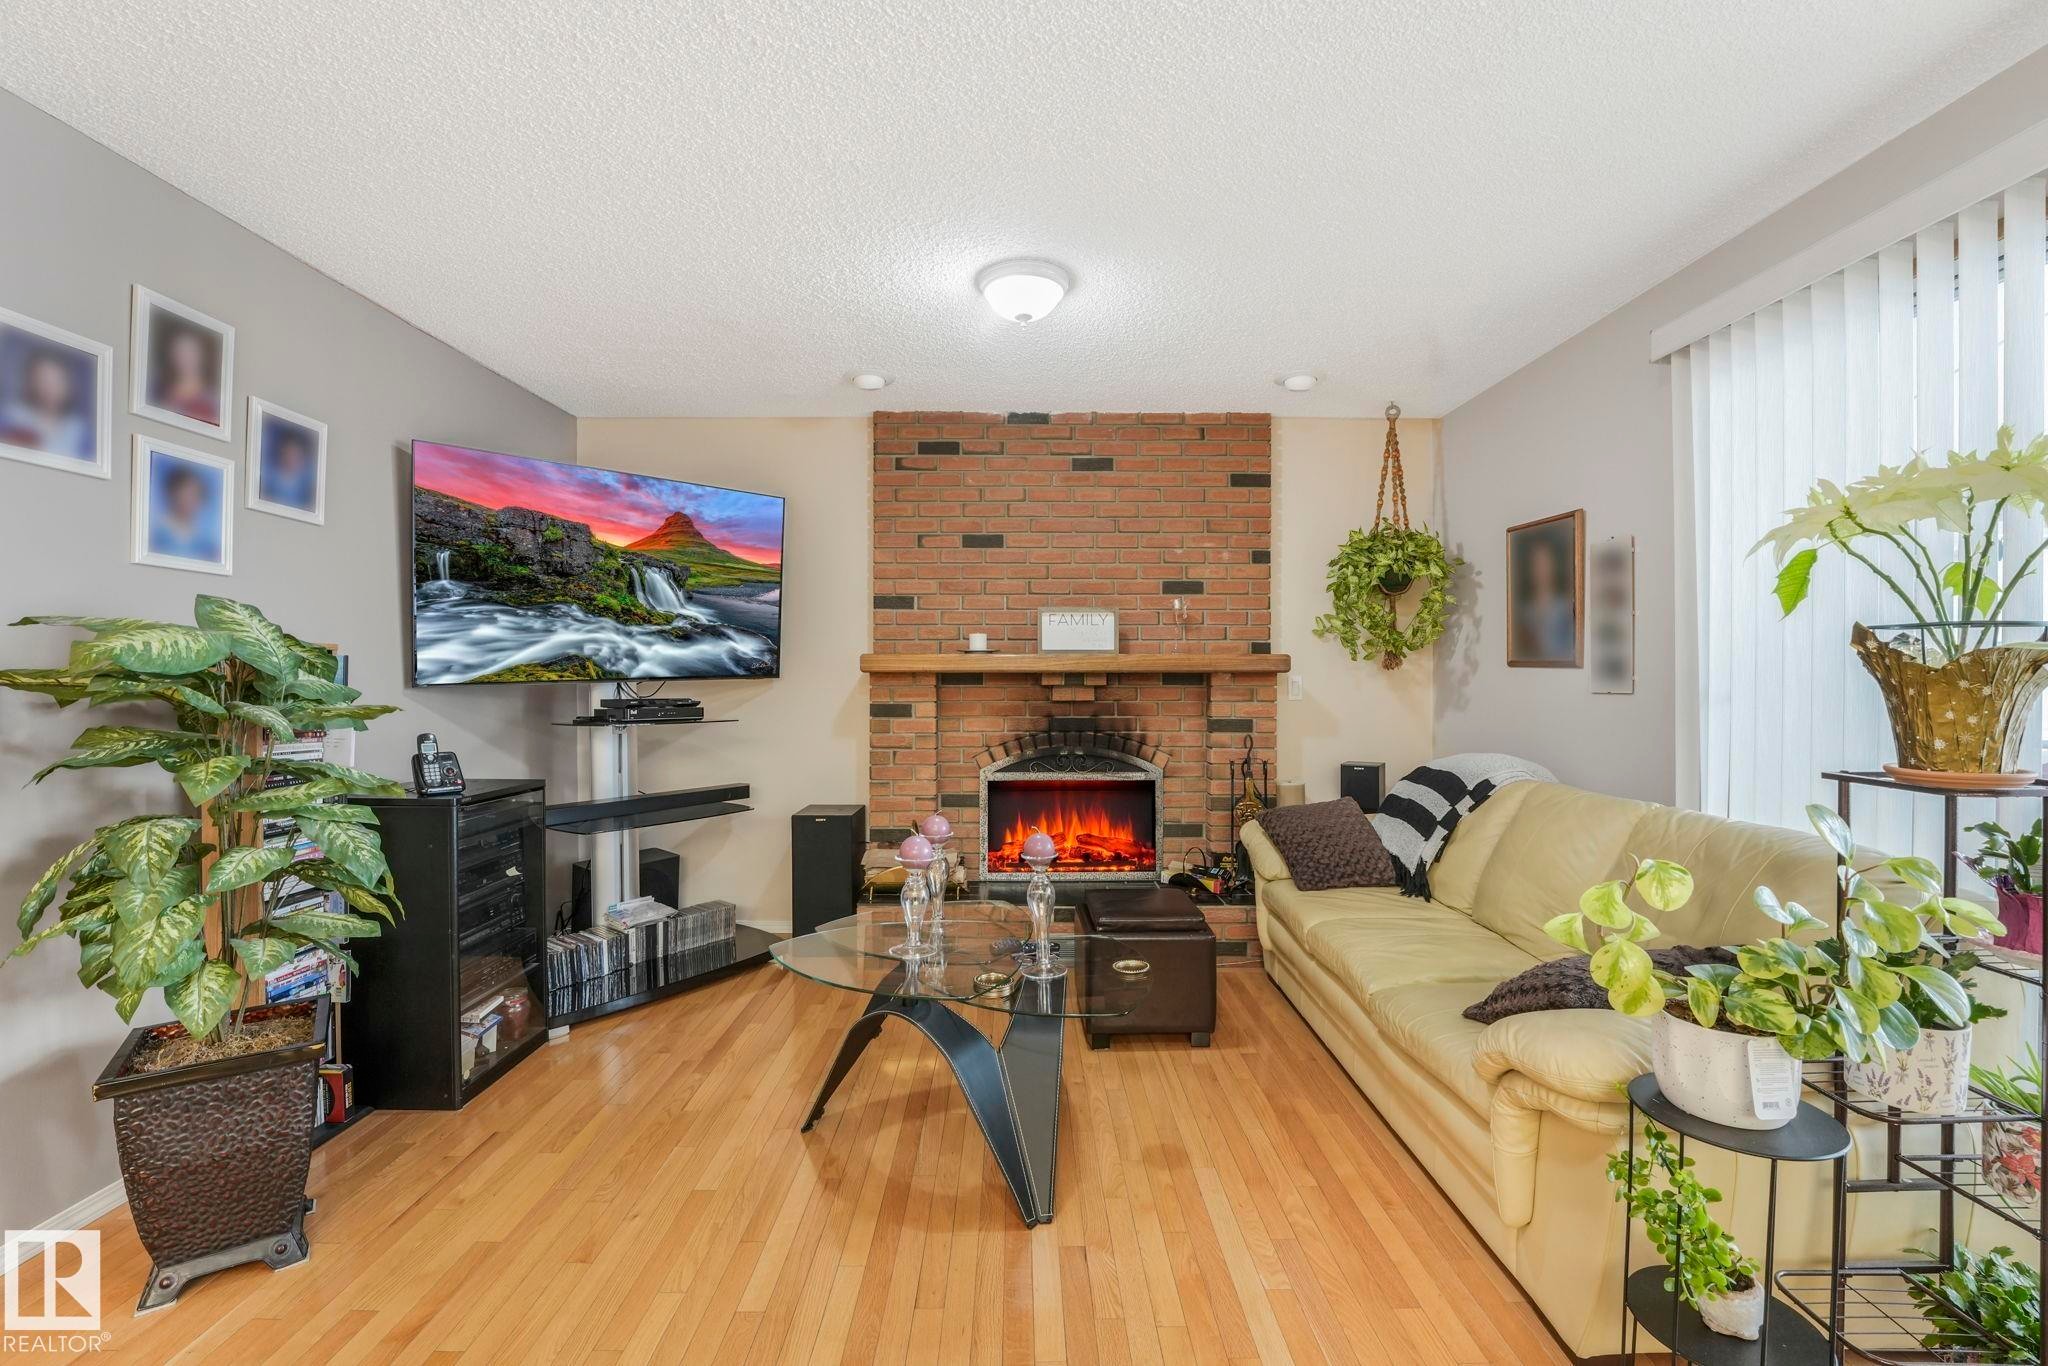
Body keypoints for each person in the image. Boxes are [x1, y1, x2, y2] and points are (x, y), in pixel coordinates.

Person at [0, 346, 93, 458]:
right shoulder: (12, 417)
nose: (49, 387)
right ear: (31, 382)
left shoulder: (78, 429)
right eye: (43, 380)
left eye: (56, 380)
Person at [1515, 537, 1577, 661]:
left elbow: (1571, 651)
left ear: (1553, 566)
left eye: (1545, 563)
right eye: (1536, 564)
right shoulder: (1524, 610)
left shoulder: (1564, 606)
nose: (1541, 569)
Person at [149, 459, 222, 562]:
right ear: (173, 494)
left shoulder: (205, 542)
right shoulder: (157, 533)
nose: (190, 500)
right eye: (185, 493)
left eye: (195, 494)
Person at [150, 320, 220, 425]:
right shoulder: (157, 388)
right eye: (180, 351)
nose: (185, 357)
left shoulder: (213, 399)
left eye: (191, 351)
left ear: (201, 356)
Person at [260, 424, 319, 510]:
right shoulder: (270, 476)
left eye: (296, 455)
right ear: (281, 454)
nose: (291, 459)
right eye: (288, 454)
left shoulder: (306, 480)